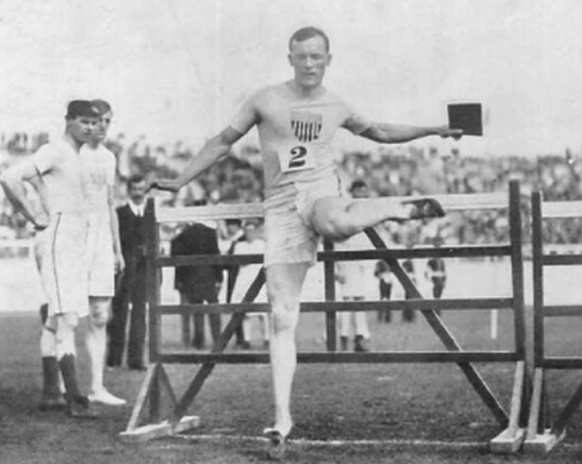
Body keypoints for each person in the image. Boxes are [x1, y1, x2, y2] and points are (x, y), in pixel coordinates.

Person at [150, 26, 461, 456]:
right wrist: (180, 179)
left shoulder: (336, 104)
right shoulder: (265, 99)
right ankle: (281, 419)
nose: (310, 64)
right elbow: (223, 142)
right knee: (281, 317)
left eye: (317, 56)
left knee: (332, 219)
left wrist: (437, 129)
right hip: (280, 208)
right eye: (302, 56)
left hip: (319, 193)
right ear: (290, 58)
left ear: (328, 59)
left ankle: (399, 207)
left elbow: (382, 132)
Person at [0, 100, 101, 418]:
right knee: (67, 317)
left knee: (59, 318)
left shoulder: (77, 157)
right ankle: (75, 398)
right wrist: (34, 217)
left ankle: (50, 393)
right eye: (83, 121)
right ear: (68, 121)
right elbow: (10, 177)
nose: (90, 127)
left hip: (71, 240)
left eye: (93, 122)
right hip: (56, 237)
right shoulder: (55, 150)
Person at [81, 99, 126, 405]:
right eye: (96, 121)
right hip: (73, 236)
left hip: (100, 241)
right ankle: (60, 384)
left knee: (100, 314)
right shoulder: (72, 153)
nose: (101, 127)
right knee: (66, 316)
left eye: (107, 121)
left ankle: (97, 387)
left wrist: (117, 249)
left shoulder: (109, 158)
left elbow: (110, 204)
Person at [107, 175, 148, 370]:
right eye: (135, 189)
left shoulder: (151, 214)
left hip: (144, 271)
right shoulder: (120, 213)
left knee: (140, 315)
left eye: (141, 189)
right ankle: (114, 360)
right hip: (124, 270)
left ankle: (136, 360)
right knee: (119, 314)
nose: (138, 193)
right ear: (129, 191)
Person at [170, 199, 223, 349]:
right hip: (209, 276)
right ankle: (218, 339)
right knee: (214, 310)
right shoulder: (210, 233)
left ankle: (199, 340)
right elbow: (216, 256)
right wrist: (219, 278)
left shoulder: (183, 235)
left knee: (197, 310)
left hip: (190, 277)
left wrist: (179, 281)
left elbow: (177, 260)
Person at [335, 180, 374, 352]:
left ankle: (359, 338)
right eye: (360, 191)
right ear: (354, 192)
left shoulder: (367, 209)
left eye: (365, 191)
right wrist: (337, 267)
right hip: (347, 259)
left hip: (361, 261)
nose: (364, 194)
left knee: (358, 300)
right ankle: (345, 338)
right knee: (348, 300)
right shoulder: (346, 206)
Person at [229, 218, 269, 348]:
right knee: (245, 312)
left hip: (260, 280)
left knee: (263, 312)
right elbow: (238, 261)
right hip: (244, 281)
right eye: (247, 231)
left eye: (252, 230)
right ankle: (246, 339)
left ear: (257, 231)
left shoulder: (262, 244)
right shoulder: (240, 246)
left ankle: (267, 338)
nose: (249, 234)